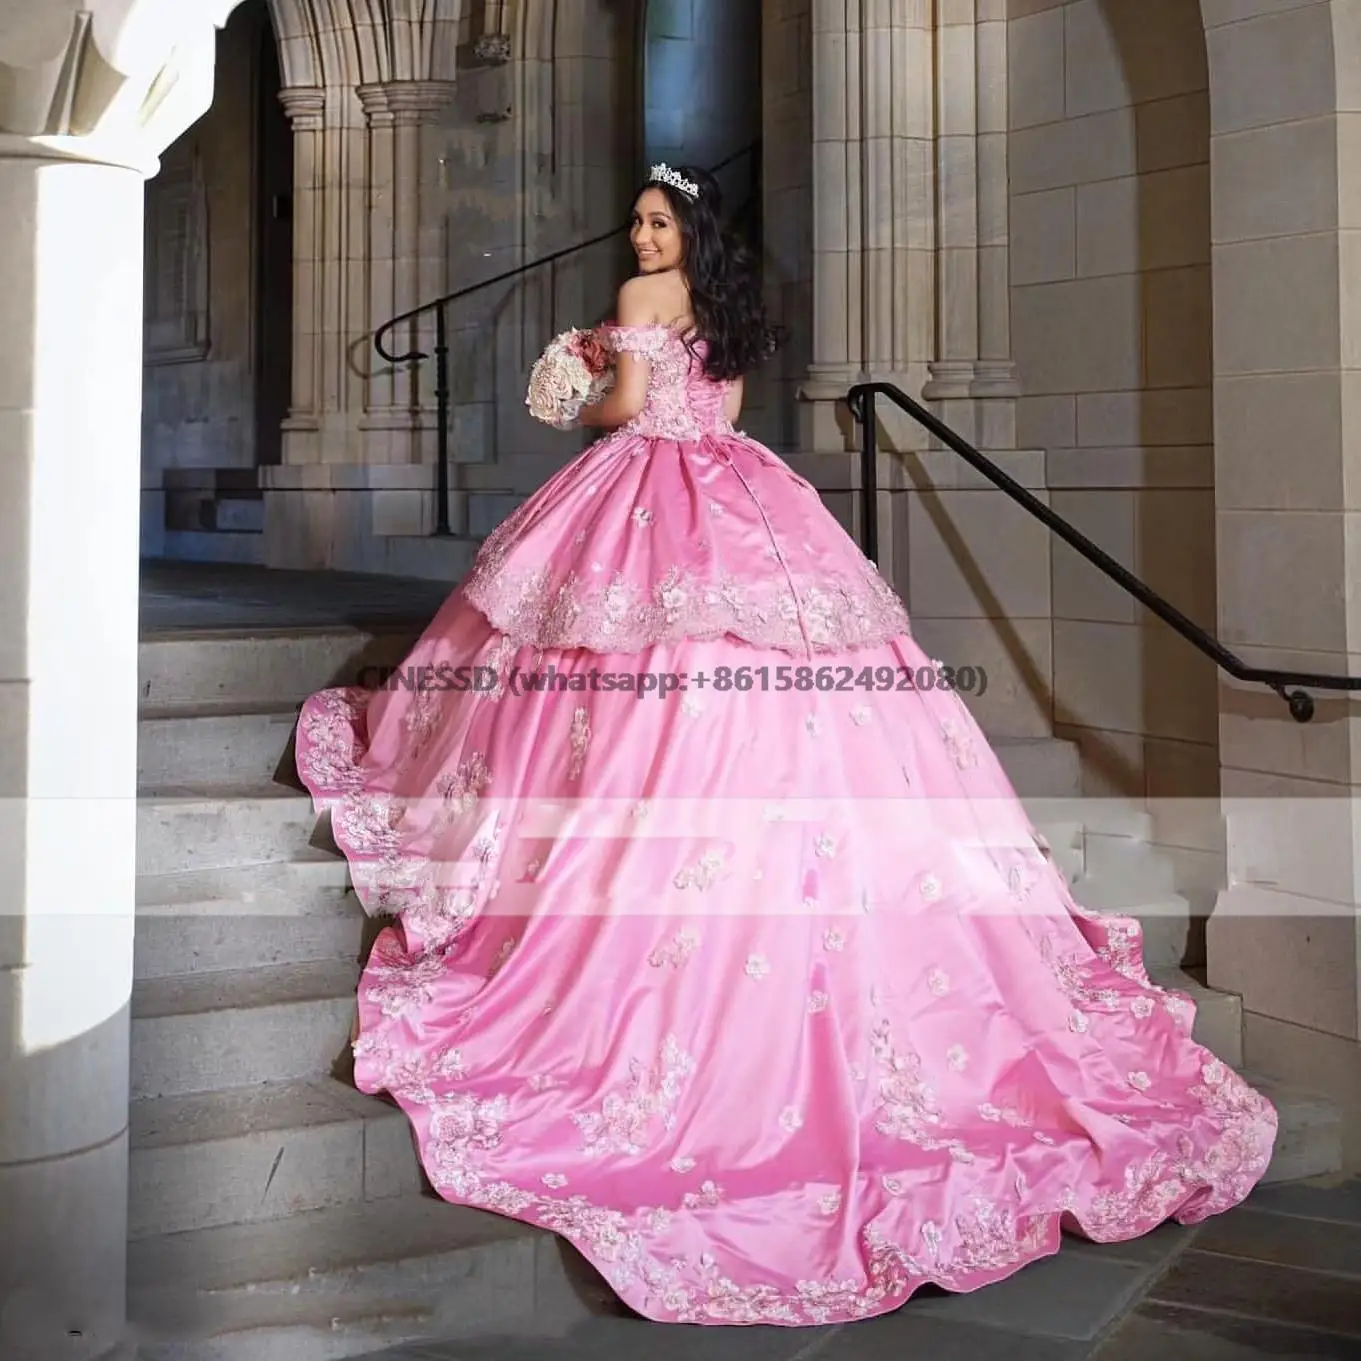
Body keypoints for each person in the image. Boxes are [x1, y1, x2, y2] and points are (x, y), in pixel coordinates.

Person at [295, 163, 1276, 1326]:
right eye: (640, 223)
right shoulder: (725, 318)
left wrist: (578, 377)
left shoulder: (638, 299)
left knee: (602, 667)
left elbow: (619, 415)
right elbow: (725, 417)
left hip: (648, 497)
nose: (642, 235)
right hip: (746, 501)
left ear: (686, 232)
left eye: (659, 222)